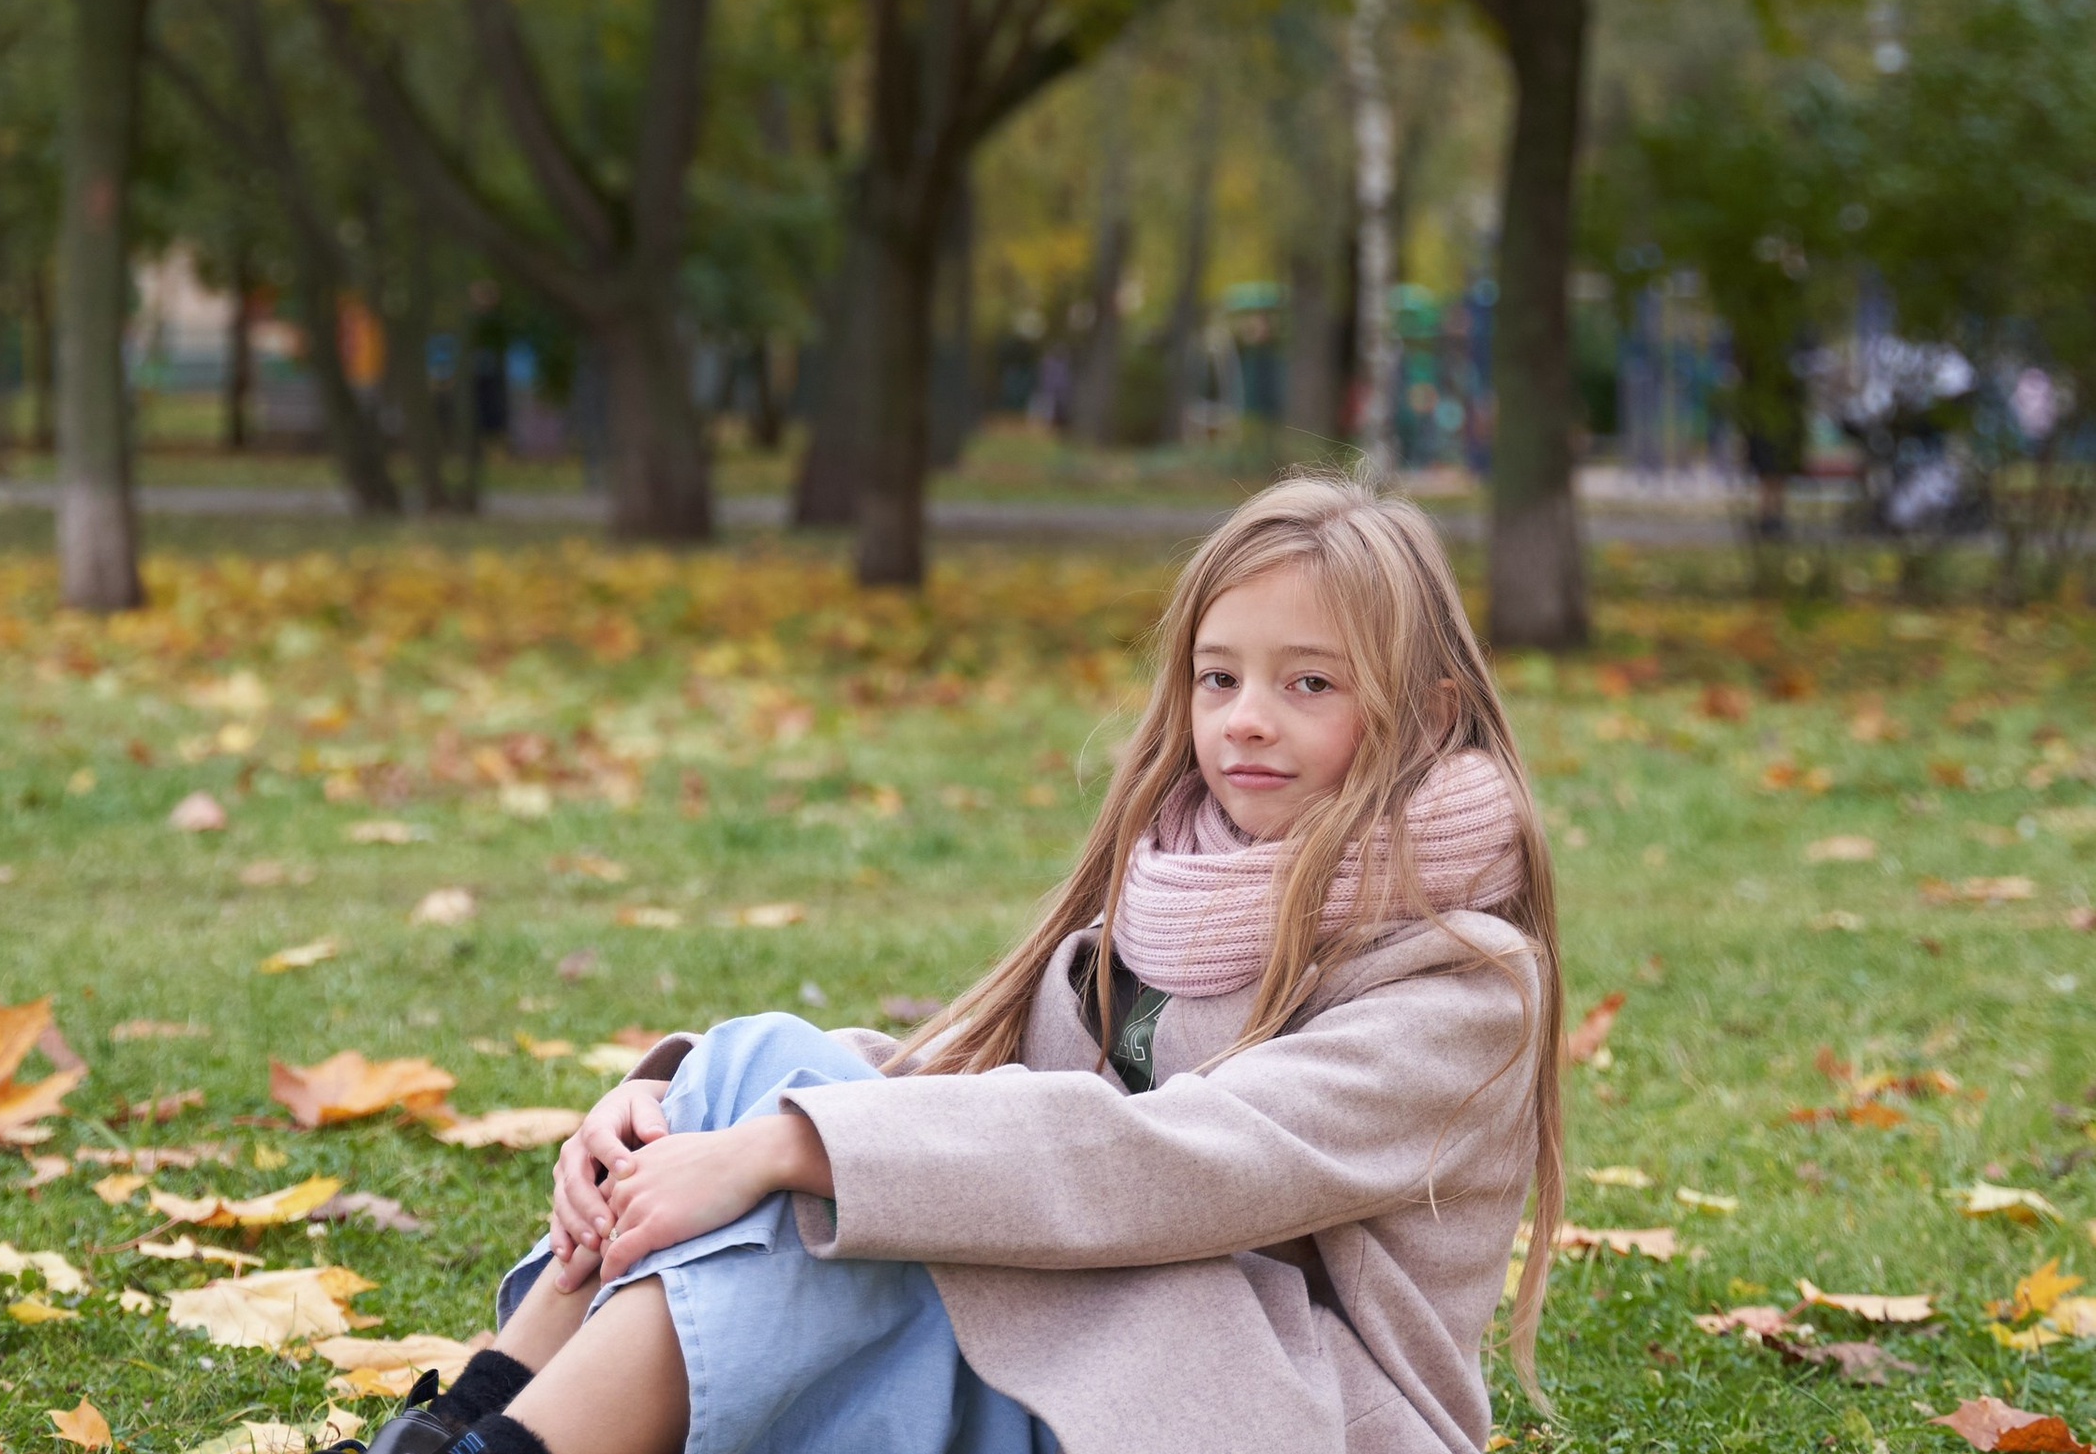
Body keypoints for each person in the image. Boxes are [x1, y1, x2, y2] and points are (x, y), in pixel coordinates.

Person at [360, 474, 1563, 1454]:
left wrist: (786, 1143)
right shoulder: (1172, 898)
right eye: (1219, 676)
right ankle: (460, 1427)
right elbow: (953, 1089)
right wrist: (673, 1109)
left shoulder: (1461, 983)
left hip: (1262, 1410)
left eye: (1309, 682)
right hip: (1093, 1352)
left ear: (1425, 707)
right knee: (766, 1063)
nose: (1245, 717)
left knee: (822, 1174)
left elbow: (1180, 1159)